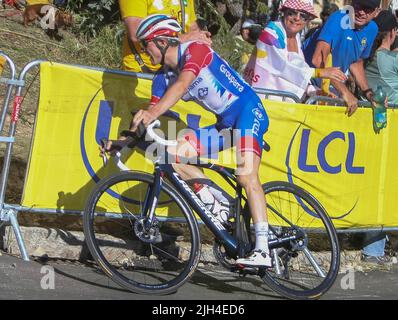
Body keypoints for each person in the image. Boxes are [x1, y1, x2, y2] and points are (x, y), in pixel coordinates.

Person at [107, 14, 273, 267]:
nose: (143, 51)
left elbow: (184, 84)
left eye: (145, 45)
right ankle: (220, 203)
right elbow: (147, 119)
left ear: (162, 42)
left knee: (245, 175)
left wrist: (152, 112)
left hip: (249, 111)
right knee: (173, 157)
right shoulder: (162, 79)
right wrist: (123, 141)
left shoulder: (195, 50)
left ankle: (263, 250)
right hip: (226, 124)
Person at [243, 0, 346, 101]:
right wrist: (320, 72)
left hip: (278, 103)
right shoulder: (271, 33)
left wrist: (314, 90)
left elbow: (296, 69)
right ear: (284, 12)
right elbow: (283, 66)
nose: (297, 18)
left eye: (303, 16)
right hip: (260, 101)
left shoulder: (295, 37)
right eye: (292, 13)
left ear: (307, 21)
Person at [303, 0, 380, 116]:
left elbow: (356, 62)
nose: (361, 12)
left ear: (377, 12)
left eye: (368, 9)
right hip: (306, 83)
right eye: (358, 6)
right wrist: (345, 92)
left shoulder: (372, 29)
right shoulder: (338, 19)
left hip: (329, 89)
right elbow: (318, 60)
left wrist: (368, 92)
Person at [118, 0, 211, 73]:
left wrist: (201, 37)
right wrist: (185, 38)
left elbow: (189, 25)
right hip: (144, 72)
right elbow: (135, 31)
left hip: (176, 68)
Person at [365, 10, 398, 104]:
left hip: (366, 109)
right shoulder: (394, 59)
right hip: (391, 112)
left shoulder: (364, 56)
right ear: (393, 32)